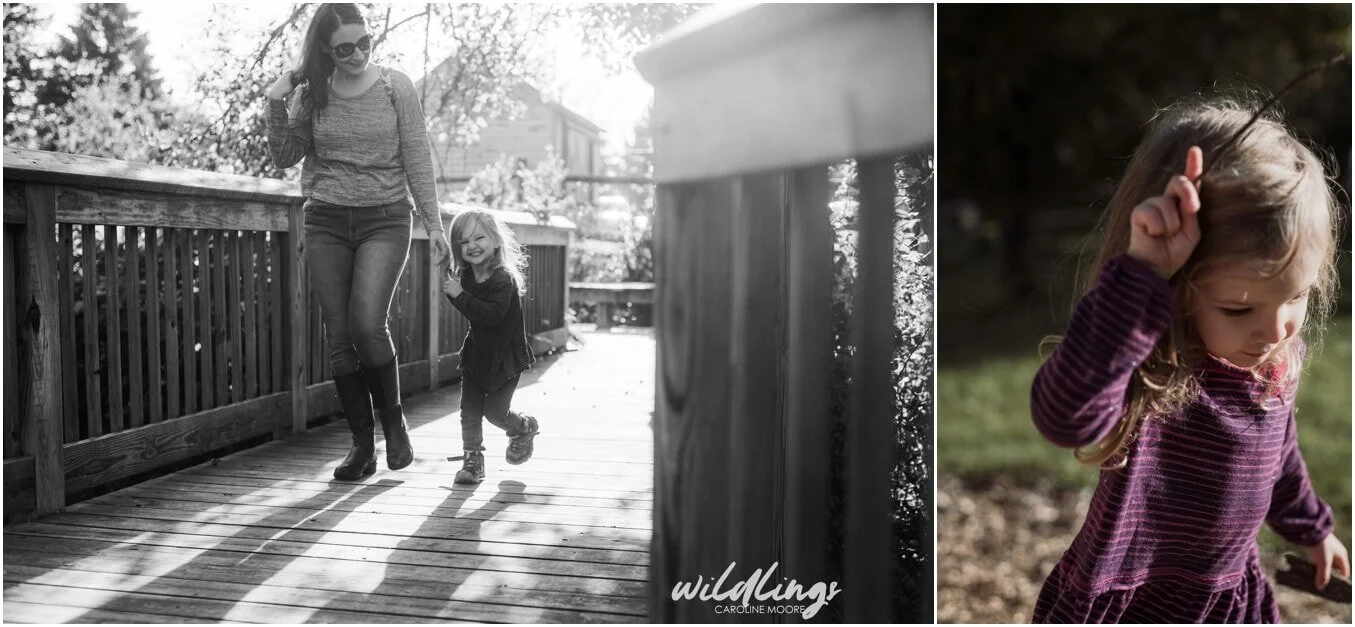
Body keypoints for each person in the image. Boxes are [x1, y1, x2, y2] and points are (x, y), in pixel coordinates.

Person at [1029, 96, 1349, 623]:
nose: (1274, 330)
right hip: (1139, 601)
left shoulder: (1272, 361)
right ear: (1178, 289)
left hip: (1227, 600)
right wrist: (1141, 278)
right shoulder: (1150, 365)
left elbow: (1277, 452)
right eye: (1237, 308)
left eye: (1296, 297)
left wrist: (1312, 529)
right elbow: (1063, 417)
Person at [263, 3, 452, 481]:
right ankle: (361, 447)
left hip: (385, 218)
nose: (357, 53)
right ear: (326, 48)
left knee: (369, 324)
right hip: (325, 220)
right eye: (344, 47)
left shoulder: (395, 86)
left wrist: (433, 224)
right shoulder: (314, 94)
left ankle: (395, 424)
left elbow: (416, 157)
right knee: (340, 335)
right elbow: (285, 155)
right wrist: (274, 100)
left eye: (364, 42)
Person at [441, 209, 539, 485]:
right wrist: (453, 289)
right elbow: (466, 306)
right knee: (469, 411)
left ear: (496, 240)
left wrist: (459, 295)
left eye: (479, 237)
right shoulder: (466, 277)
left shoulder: (502, 279)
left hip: (505, 358)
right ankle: (473, 461)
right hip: (476, 356)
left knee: (495, 412)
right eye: (463, 241)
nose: (471, 245)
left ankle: (523, 427)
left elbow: (491, 316)